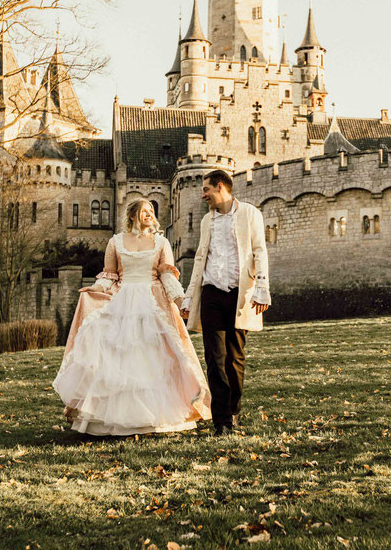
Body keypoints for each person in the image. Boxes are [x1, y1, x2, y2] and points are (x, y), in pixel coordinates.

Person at [54, 200, 211, 436]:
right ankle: (110, 420)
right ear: (133, 215)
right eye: (144, 211)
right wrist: (95, 289)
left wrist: (182, 303)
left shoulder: (161, 242)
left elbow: (168, 277)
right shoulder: (115, 242)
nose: (149, 214)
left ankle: (154, 418)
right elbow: (110, 276)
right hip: (122, 301)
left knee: (153, 357)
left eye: (151, 211)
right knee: (118, 358)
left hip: (152, 302)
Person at [180, 170, 270, 436]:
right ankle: (221, 422)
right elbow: (200, 258)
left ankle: (233, 409)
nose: (203, 195)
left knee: (235, 358)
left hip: (239, 292)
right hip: (211, 292)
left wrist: (262, 287)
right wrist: (189, 295)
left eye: (206, 190)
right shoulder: (207, 221)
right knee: (214, 358)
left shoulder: (250, 213)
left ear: (220, 187)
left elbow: (259, 250)